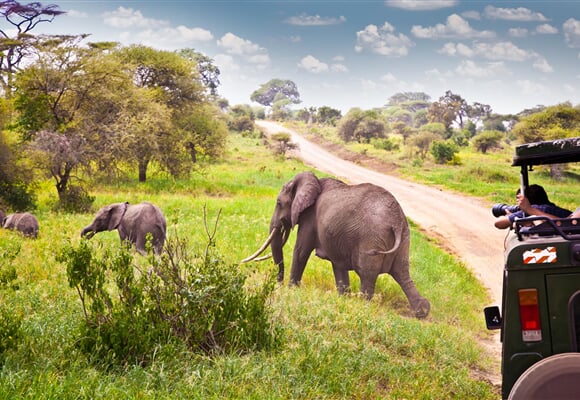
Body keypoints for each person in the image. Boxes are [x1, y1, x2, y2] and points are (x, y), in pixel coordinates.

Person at [494, 184, 572, 229]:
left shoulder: (534, 209)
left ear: (526, 201)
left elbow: (499, 223)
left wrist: (511, 217)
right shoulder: (555, 209)